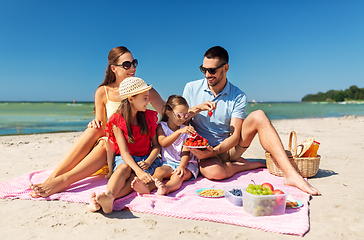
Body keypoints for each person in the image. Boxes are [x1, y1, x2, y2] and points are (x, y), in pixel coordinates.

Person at [183, 46, 320, 195]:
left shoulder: (238, 96)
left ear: (225, 68)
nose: (207, 75)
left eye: (212, 70)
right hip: (200, 150)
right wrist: (196, 109)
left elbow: (235, 137)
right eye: (204, 69)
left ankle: (290, 174)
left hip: (228, 149)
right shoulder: (191, 88)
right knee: (214, 172)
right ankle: (249, 165)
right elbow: (180, 122)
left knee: (259, 115)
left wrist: (214, 152)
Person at [30, 46, 164, 198]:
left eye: (134, 63)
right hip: (113, 150)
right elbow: (103, 125)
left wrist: (188, 113)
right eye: (127, 65)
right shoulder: (103, 91)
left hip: (133, 149)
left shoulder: (142, 90)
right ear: (114, 68)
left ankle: (64, 180)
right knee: (96, 131)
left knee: (106, 142)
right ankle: (53, 178)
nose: (132, 68)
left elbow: (168, 112)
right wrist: (95, 123)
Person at [89, 77, 161, 214]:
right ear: (131, 99)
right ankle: (108, 195)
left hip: (146, 159)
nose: (148, 101)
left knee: (134, 181)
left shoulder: (149, 117)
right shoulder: (117, 120)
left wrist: (148, 162)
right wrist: (139, 171)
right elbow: (124, 152)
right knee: (123, 168)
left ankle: (109, 198)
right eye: (145, 98)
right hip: (126, 159)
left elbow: (156, 146)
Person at [131, 95, 199, 195]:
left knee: (178, 176)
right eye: (180, 115)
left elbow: (186, 152)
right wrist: (179, 132)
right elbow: (163, 143)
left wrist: (182, 166)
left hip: (186, 164)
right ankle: (147, 187)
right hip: (168, 163)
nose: (183, 119)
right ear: (169, 113)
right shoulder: (162, 127)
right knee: (159, 171)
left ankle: (166, 188)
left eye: (186, 115)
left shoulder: (186, 130)